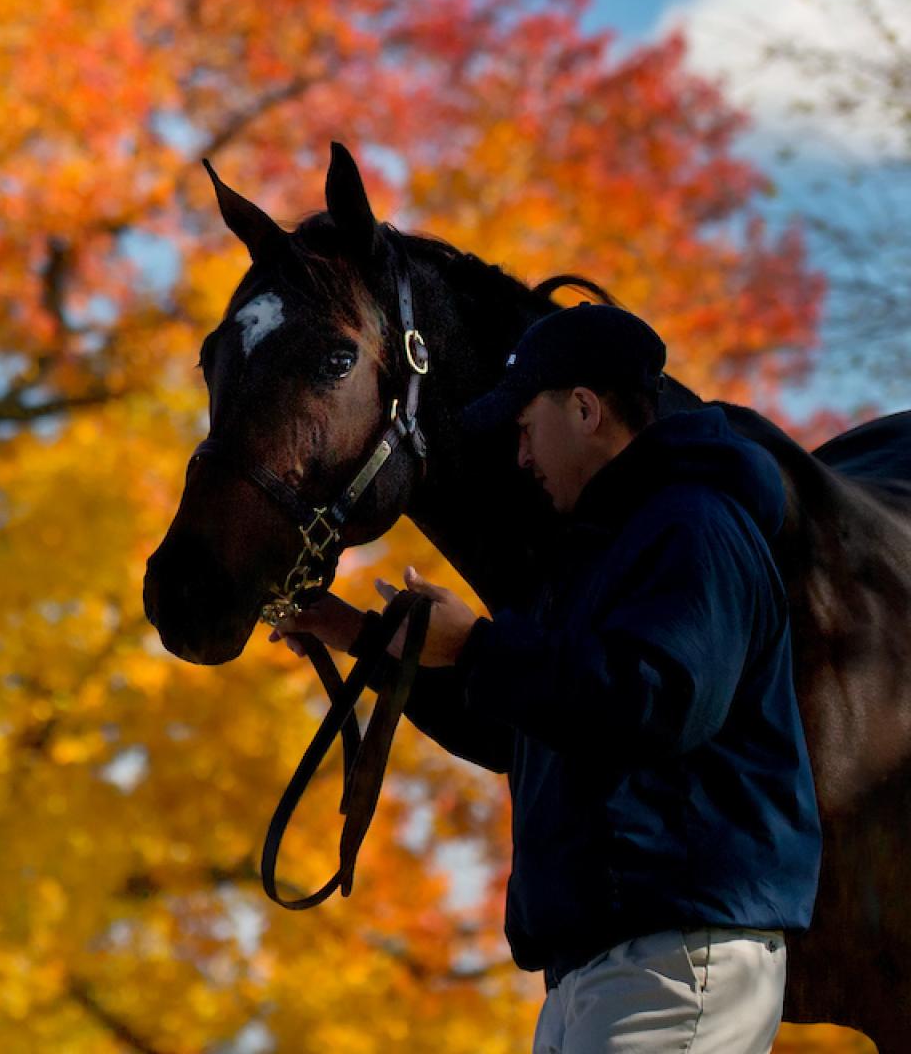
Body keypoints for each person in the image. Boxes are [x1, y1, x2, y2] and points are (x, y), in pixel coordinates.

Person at [279, 304, 821, 1053]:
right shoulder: (604, 551)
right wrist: (363, 637)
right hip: (611, 967)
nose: (520, 453)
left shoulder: (695, 525)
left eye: (525, 424)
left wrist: (475, 648)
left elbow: (656, 703)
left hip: (672, 956)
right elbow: (525, 728)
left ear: (585, 409)